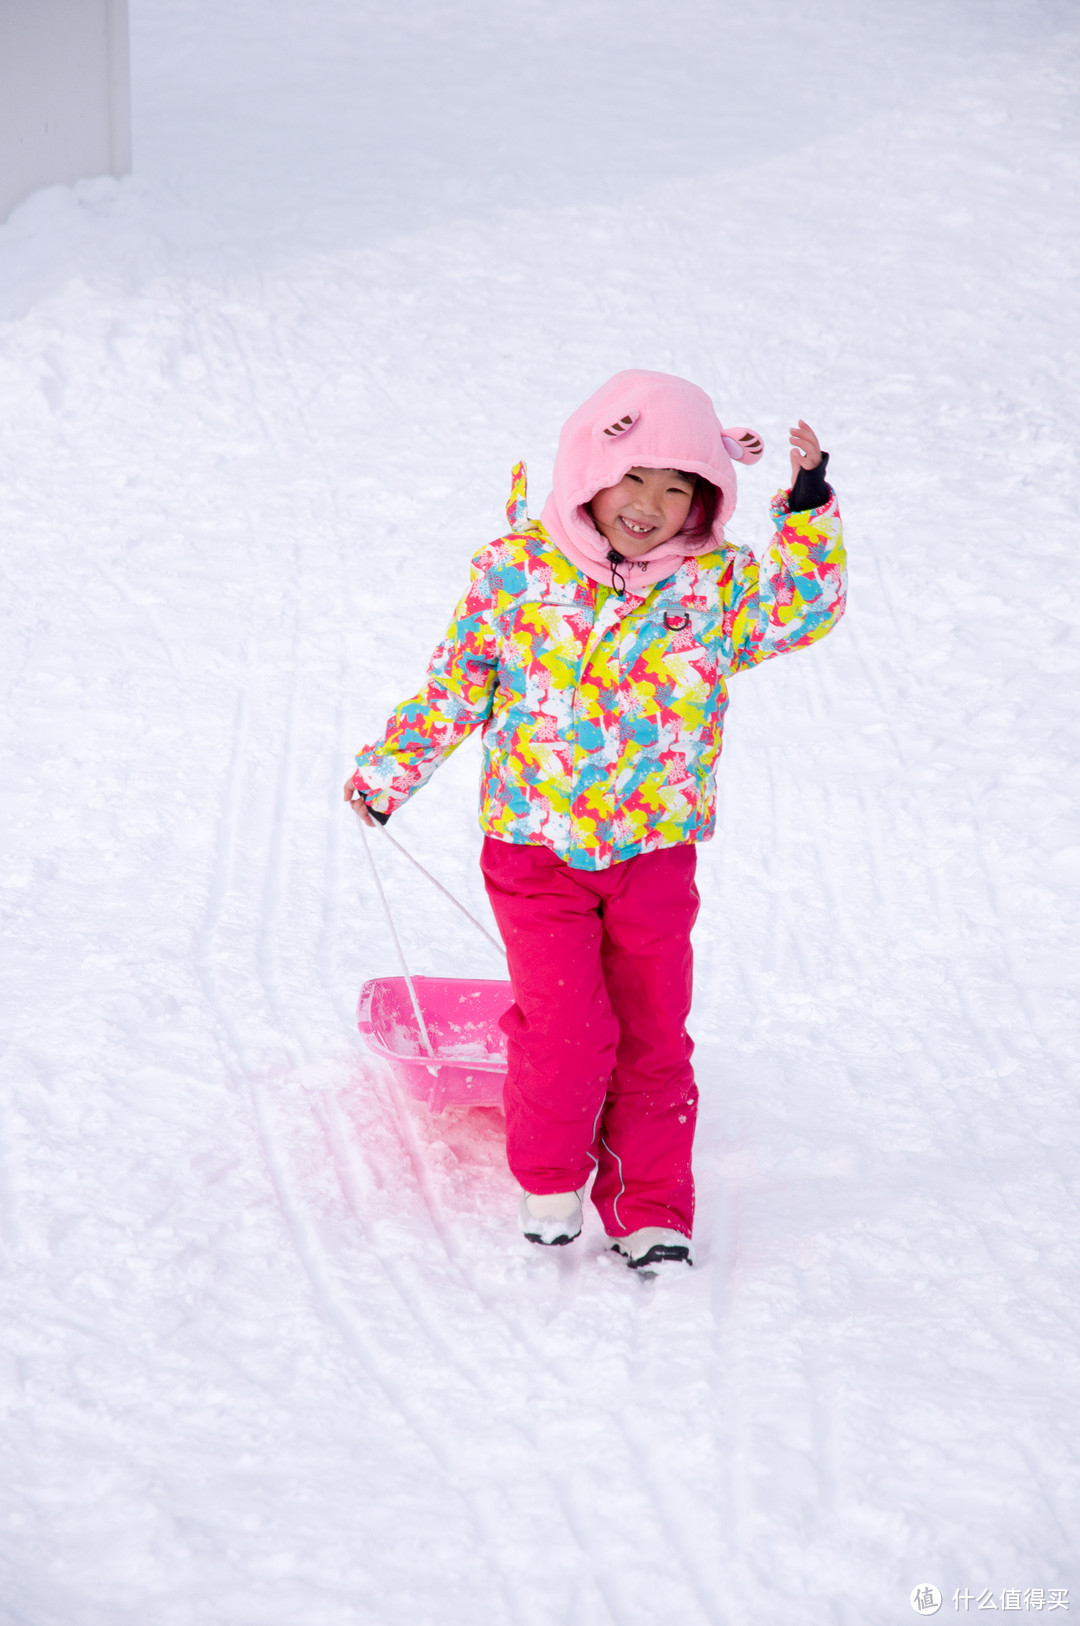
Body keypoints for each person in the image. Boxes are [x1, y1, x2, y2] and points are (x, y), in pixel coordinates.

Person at [345, 370, 846, 1272]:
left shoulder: (714, 587)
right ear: (589, 473)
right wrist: (391, 770)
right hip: (534, 853)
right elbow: (459, 685)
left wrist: (807, 506)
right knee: (570, 1027)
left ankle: (652, 1207)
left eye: (678, 488)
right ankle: (550, 1173)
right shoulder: (516, 573)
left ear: (705, 501)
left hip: (655, 852)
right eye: (635, 479)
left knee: (654, 1032)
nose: (650, 506)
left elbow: (809, 607)